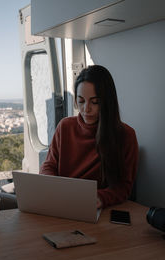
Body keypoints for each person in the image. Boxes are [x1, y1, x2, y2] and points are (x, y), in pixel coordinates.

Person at [40, 65, 139, 209]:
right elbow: (49, 165)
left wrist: (100, 198)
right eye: (81, 101)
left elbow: (124, 187)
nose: (86, 109)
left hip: (96, 209)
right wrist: (51, 185)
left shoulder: (126, 136)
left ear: (107, 102)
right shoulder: (65, 126)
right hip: (60, 203)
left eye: (95, 102)